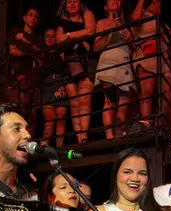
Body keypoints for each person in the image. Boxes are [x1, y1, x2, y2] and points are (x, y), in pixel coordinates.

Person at [94, 0, 135, 139]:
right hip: (109, 60)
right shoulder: (102, 23)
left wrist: (130, 39)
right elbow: (96, 47)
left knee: (124, 101)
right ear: (105, 7)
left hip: (124, 60)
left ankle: (119, 134)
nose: (116, 1)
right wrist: (110, 30)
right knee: (110, 100)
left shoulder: (128, 22)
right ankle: (109, 136)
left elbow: (134, 47)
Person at [57, 0, 95, 144]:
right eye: (69, 1)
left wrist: (68, 36)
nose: (72, 3)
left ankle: (84, 135)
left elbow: (90, 31)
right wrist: (79, 38)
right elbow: (58, 41)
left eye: (75, 1)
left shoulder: (87, 14)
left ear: (80, 3)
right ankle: (80, 139)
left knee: (84, 99)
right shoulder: (62, 21)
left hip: (84, 62)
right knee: (74, 104)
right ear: (65, 6)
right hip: (69, 64)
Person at [7, 7, 44, 128]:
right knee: (22, 104)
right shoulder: (16, 31)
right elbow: (13, 51)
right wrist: (31, 54)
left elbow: (40, 53)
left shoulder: (38, 38)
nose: (33, 18)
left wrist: (24, 41)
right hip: (20, 73)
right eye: (30, 15)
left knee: (33, 111)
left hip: (34, 76)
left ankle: (30, 136)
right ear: (24, 18)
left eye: (36, 17)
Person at [131, 0, 162, 129]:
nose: (160, 7)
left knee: (152, 92)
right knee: (147, 91)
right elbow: (135, 18)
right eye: (158, 3)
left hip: (155, 58)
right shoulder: (143, 14)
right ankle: (146, 125)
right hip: (145, 55)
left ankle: (151, 123)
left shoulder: (157, 21)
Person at [40, 28, 70, 147]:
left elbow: (67, 69)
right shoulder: (41, 53)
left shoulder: (62, 51)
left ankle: (59, 148)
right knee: (49, 118)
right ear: (44, 38)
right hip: (47, 85)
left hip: (60, 83)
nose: (50, 39)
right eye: (47, 36)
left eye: (53, 36)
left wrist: (64, 86)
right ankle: (44, 145)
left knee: (61, 118)